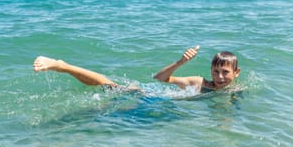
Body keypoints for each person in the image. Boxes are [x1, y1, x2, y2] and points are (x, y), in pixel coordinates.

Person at [32, 45, 240, 93]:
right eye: (216, 72)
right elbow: (160, 78)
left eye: (225, 72)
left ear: (236, 73)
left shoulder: (235, 92)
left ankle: (63, 66)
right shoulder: (201, 83)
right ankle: (61, 65)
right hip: (147, 93)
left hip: (153, 105)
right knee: (107, 85)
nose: (220, 77)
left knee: (106, 89)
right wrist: (180, 62)